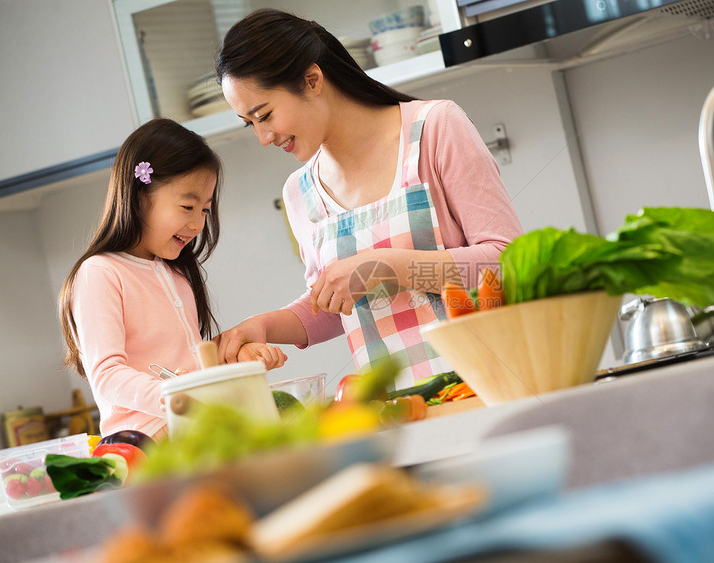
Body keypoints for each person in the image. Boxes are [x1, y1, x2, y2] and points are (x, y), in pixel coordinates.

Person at [214, 9, 523, 388]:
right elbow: (333, 306)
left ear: (312, 80)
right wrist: (265, 324)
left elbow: (505, 264)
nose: (263, 137)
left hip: (489, 387)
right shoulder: (300, 192)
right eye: (251, 124)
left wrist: (384, 267)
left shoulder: (436, 128)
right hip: (394, 413)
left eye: (264, 115)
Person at [59, 118, 286, 440]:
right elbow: (107, 375)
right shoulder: (101, 273)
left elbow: (187, 365)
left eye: (205, 210)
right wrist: (179, 399)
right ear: (140, 195)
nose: (197, 224)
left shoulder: (175, 273)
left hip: (194, 435)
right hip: (144, 444)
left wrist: (237, 359)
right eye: (187, 206)